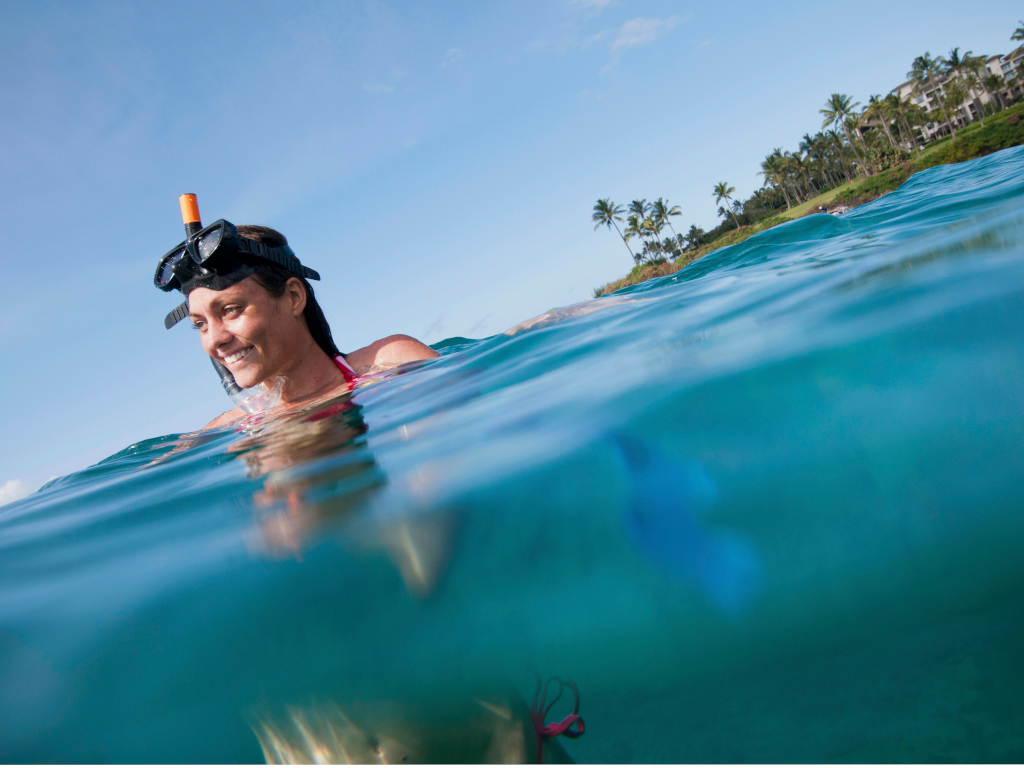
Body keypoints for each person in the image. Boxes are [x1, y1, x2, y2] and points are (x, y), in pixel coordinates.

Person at [155, 222, 438, 430]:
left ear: (293, 297)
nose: (214, 339)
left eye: (230, 310)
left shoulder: (392, 364)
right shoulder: (227, 430)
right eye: (200, 324)